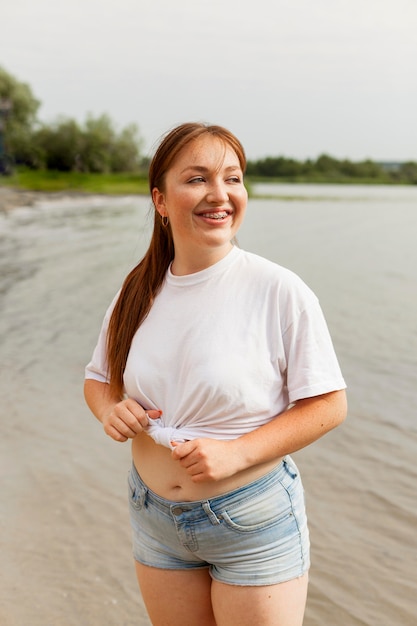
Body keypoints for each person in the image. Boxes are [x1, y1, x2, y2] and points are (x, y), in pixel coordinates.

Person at [84, 122, 347, 626]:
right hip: (153, 514)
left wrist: (235, 453)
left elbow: (329, 405)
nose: (219, 194)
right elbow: (99, 379)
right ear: (160, 200)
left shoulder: (279, 290)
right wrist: (110, 411)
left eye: (233, 178)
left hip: (251, 520)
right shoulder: (138, 289)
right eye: (198, 179)